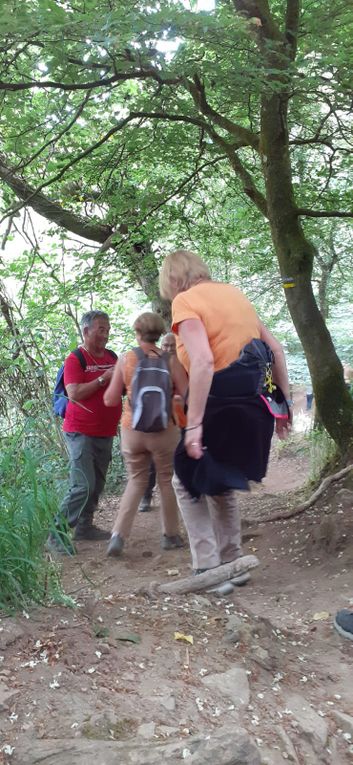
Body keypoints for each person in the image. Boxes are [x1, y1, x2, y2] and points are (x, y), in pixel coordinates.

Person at [159, 250, 292, 578]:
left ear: (174, 280)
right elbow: (276, 350)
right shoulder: (236, 295)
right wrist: (282, 407)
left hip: (220, 403)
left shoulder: (186, 302)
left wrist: (195, 426)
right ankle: (233, 563)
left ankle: (207, 566)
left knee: (184, 478)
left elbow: (203, 361)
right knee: (219, 477)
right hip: (255, 405)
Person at [104, 311, 188, 557]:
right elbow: (186, 393)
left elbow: (110, 399)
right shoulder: (171, 360)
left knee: (137, 479)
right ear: (161, 333)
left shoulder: (127, 359)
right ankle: (170, 536)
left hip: (133, 429)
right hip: (165, 428)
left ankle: (118, 536)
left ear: (137, 332)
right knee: (166, 479)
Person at [48, 310, 121, 554]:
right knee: (83, 484)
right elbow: (75, 393)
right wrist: (103, 379)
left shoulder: (112, 356)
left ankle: (84, 527)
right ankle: (56, 534)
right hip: (80, 431)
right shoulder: (76, 359)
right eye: (101, 329)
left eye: (108, 329)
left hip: (106, 430)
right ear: (86, 331)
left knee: (98, 482)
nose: (106, 334)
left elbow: (121, 388)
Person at [138, 332, 186, 513]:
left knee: (179, 459)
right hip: (158, 420)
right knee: (151, 461)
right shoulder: (155, 364)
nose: (168, 349)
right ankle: (146, 496)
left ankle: (182, 495)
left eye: (172, 346)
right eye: (165, 345)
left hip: (181, 421)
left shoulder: (184, 365)